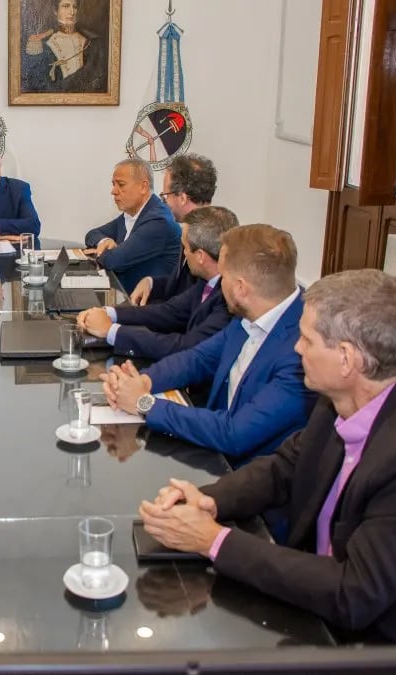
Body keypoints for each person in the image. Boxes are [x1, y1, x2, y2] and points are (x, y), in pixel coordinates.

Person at [138, 270, 396, 674]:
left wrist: (214, 541)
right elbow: (284, 468)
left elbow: (354, 592)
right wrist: (209, 498)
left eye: (307, 339)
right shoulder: (345, 401)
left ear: (346, 358)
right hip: (327, 610)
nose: (295, 347)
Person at [102, 224, 316, 465]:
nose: (218, 284)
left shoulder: (303, 350)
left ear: (241, 288)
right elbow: (197, 359)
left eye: (223, 277)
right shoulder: (254, 312)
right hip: (209, 447)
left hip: (246, 478)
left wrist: (144, 403)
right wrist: (143, 381)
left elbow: (235, 433)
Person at [78, 206, 236, 366]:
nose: (185, 255)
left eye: (186, 248)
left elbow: (185, 346)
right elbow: (169, 311)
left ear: (201, 256)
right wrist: (109, 313)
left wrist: (111, 331)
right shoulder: (206, 281)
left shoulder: (228, 298)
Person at [129, 154, 218, 306]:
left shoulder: (208, 242)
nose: (165, 203)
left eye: (165, 196)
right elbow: (177, 285)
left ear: (182, 198)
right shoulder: (191, 229)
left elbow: (184, 307)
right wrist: (150, 282)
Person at [84, 157, 181, 294]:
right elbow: (92, 234)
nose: (114, 191)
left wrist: (98, 251)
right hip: (122, 295)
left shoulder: (158, 221)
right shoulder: (130, 214)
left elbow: (114, 261)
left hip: (147, 305)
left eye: (121, 185)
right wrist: (105, 241)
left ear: (143, 187)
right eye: (113, 184)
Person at [21, 0, 107, 94]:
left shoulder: (91, 43)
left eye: (75, 7)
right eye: (66, 6)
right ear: (55, 11)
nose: (72, 12)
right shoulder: (44, 43)